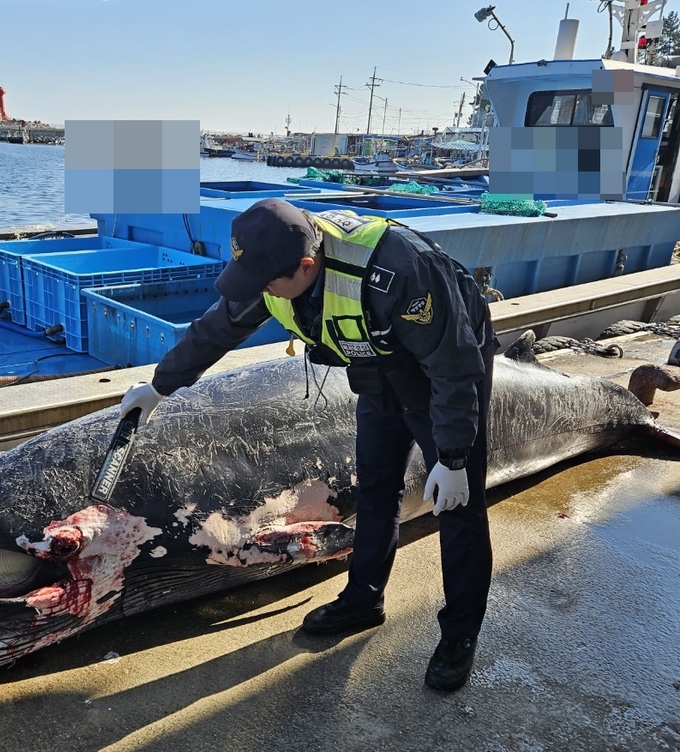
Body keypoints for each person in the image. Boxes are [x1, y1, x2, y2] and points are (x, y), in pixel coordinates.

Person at [119, 198, 498, 691]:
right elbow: (216, 329)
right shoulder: (270, 270)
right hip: (378, 368)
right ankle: (363, 599)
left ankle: (459, 635)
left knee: (459, 504)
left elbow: (454, 368)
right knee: (377, 485)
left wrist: (452, 456)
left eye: (268, 283)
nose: (260, 292)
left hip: (447, 364)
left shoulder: (400, 270)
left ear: (307, 265)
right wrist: (159, 387)